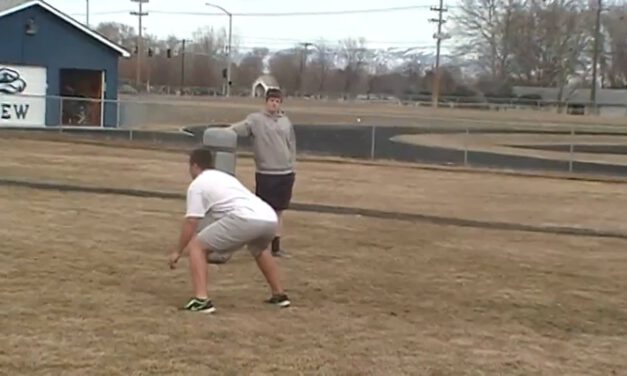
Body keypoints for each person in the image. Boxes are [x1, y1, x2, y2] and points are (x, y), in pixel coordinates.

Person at [168, 147, 291, 313]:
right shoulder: (225, 177)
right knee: (259, 249)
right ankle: (279, 295)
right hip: (269, 218)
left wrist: (178, 251)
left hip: (245, 218)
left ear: (194, 166)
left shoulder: (197, 185)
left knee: (197, 246)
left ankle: (201, 300)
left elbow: (191, 221)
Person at [229, 88, 296, 258]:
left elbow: (291, 144)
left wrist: (291, 163)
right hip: (266, 173)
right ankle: (258, 245)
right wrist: (223, 132)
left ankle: (276, 247)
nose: (274, 104)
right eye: (271, 100)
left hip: (285, 173)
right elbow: (238, 129)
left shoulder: (285, 122)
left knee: (279, 211)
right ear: (266, 102)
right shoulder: (255, 120)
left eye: (277, 101)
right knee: (263, 211)